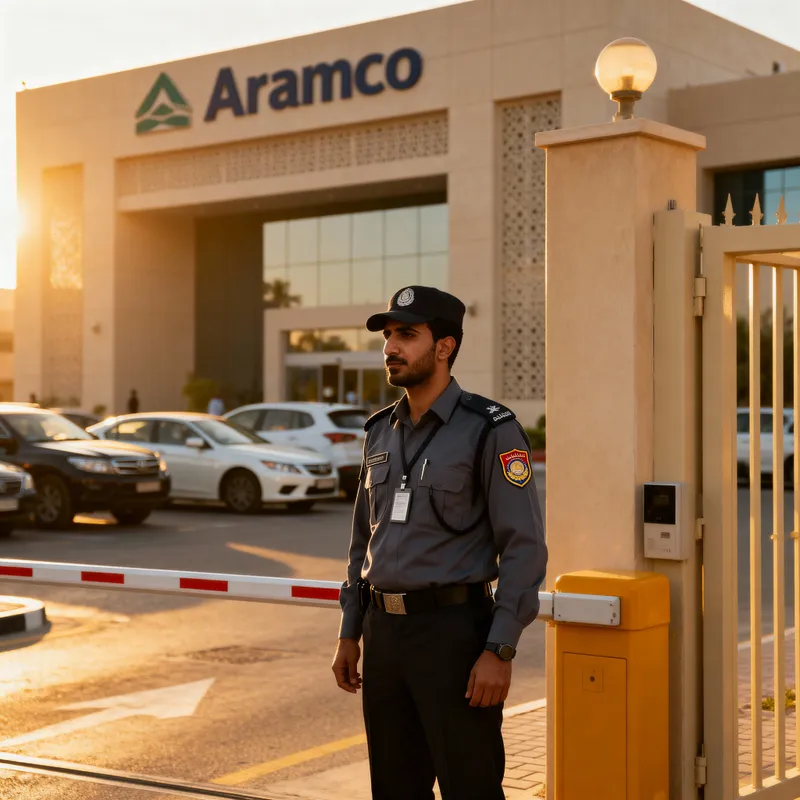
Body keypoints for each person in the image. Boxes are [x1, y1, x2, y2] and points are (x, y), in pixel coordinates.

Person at [332, 285, 548, 800]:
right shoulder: (378, 431)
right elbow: (363, 540)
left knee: (468, 786)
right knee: (394, 788)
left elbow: (523, 547)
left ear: (445, 346)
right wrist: (350, 630)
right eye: (388, 336)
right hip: (386, 638)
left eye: (407, 335)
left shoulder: (490, 429)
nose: (391, 347)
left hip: (455, 637)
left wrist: (499, 647)